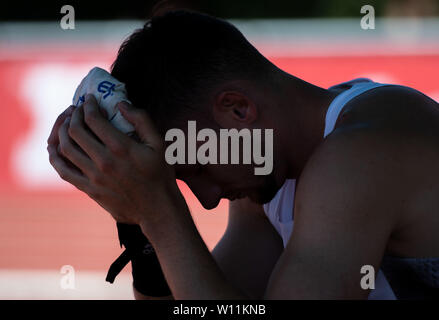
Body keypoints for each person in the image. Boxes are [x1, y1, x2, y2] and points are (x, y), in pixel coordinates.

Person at [47, 10, 439, 299]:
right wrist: (134, 218)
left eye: (198, 167)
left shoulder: (358, 158)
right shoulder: (267, 176)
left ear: (237, 109)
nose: (208, 198)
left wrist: (159, 213)